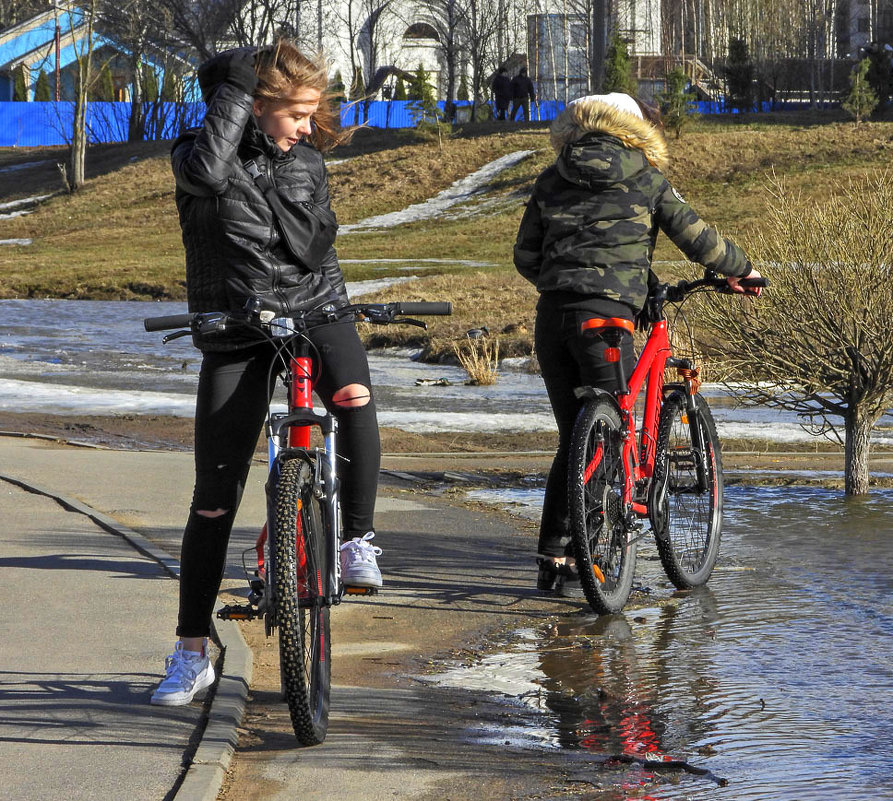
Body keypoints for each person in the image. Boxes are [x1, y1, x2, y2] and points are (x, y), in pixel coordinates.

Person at [151, 40, 383, 706]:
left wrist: (284, 122)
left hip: (318, 307)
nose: (308, 128)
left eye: (312, 113)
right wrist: (236, 84)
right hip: (235, 324)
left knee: (352, 394)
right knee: (214, 494)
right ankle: (191, 650)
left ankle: (355, 541)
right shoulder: (195, 157)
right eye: (296, 113)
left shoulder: (307, 160)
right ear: (250, 106)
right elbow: (209, 171)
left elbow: (317, 246)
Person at [513, 92, 762, 596]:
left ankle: (555, 559)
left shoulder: (552, 177)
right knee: (614, 435)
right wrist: (741, 270)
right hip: (606, 321)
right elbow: (697, 237)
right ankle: (600, 564)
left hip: (554, 319)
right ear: (634, 129)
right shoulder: (645, 177)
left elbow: (525, 255)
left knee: (577, 434)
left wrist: (569, 281)